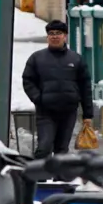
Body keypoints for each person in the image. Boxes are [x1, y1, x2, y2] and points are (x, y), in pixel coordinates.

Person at [22, 20, 94, 155]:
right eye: (51, 33)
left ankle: (60, 176)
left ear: (65, 36)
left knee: (62, 149)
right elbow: (28, 80)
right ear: (47, 37)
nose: (55, 36)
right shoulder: (37, 58)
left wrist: (87, 114)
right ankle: (38, 175)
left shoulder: (76, 59)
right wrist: (38, 98)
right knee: (44, 146)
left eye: (58, 33)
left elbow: (85, 87)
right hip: (46, 112)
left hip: (68, 112)